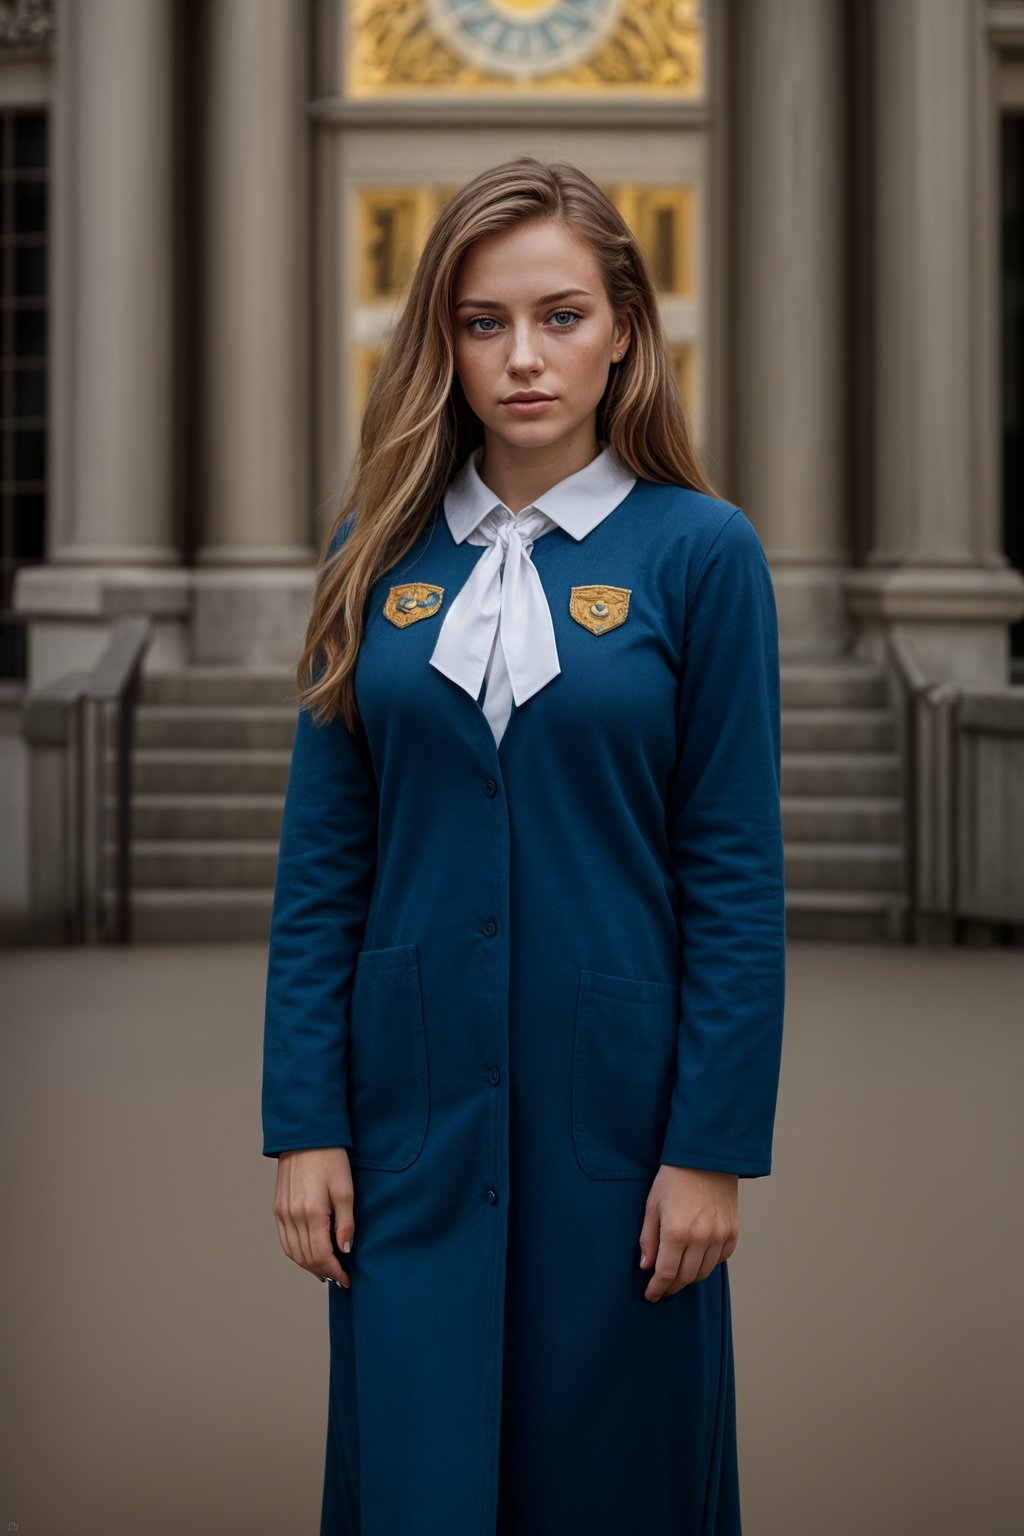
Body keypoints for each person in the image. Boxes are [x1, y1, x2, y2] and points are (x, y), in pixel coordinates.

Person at [261, 154, 786, 1536]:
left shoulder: (702, 555)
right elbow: (325, 868)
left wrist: (713, 1145)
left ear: (623, 328)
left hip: (619, 1113)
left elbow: (733, 873)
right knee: (417, 1474)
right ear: (442, 341)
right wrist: (305, 1121)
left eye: (560, 316)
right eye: (484, 323)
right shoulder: (371, 552)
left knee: (618, 1476)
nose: (524, 358)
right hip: (407, 1120)